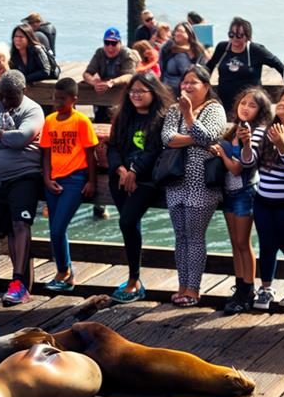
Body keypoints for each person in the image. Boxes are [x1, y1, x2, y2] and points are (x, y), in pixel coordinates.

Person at [0, 70, 45, 306]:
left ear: (23, 92)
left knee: (20, 224)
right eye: (2, 96)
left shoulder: (32, 110)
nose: (5, 102)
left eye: (10, 97)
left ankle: (19, 283)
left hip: (24, 176)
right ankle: (17, 285)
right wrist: (8, 139)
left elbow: (22, 137)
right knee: (7, 230)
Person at [161, 65, 227, 308]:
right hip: (176, 182)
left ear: (206, 87)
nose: (187, 87)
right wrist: (195, 140)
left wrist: (189, 116)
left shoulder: (214, 109)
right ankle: (181, 286)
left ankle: (193, 289)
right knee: (180, 237)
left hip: (201, 183)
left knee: (195, 237)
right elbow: (167, 138)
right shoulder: (173, 109)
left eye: (193, 83)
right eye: (184, 82)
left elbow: (210, 136)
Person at [240, 89, 284, 311]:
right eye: (279, 100)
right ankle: (266, 288)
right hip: (264, 200)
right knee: (267, 246)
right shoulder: (263, 133)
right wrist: (245, 145)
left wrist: (281, 143)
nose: (281, 102)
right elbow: (248, 162)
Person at [105, 72, 170, 303]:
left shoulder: (161, 118)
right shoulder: (124, 116)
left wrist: (134, 171)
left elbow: (154, 150)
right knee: (130, 226)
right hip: (121, 179)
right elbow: (112, 147)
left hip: (147, 180)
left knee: (127, 222)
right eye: (133, 91)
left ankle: (134, 279)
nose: (136, 95)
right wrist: (121, 170)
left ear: (153, 92)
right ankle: (135, 278)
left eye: (142, 91)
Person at [211, 87, 271, 314]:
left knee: (244, 243)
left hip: (245, 192)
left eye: (252, 105)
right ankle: (240, 286)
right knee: (235, 244)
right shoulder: (235, 130)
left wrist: (222, 154)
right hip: (228, 193)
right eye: (243, 103)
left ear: (261, 111)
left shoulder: (256, 133)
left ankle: (248, 289)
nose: (245, 108)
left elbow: (238, 168)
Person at [40, 78, 97, 292]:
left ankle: (63, 271)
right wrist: (46, 178)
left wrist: (91, 181)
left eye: (62, 99)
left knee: (57, 229)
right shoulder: (50, 121)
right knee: (55, 229)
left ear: (74, 99)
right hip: (53, 180)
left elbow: (91, 154)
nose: (57, 102)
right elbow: (45, 153)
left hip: (75, 179)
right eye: (55, 97)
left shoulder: (81, 121)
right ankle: (67, 275)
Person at [206, 17, 284, 117]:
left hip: (248, 104)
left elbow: (278, 65)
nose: (234, 38)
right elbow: (209, 67)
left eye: (239, 35)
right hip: (225, 102)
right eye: (231, 35)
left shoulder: (256, 50)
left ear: (247, 36)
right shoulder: (222, 48)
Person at [82, 27, 138, 124]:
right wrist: (94, 83)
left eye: (114, 43)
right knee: (100, 118)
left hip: (123, 93)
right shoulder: (100, 53)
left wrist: (112, 82)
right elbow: (87, 73)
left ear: (120, 43)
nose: (110, 47)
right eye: (107, 43)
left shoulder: (127, 54)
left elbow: (130, 76)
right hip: (103, 92)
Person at [159, 22, 207, 96]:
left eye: (181, 31)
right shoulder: (168, 48)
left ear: (189, 34)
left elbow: (201, 72)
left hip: (190, 91)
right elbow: (162, 68)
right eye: (177, 31)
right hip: (169, 91)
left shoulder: (197, 50)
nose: (178, 33)